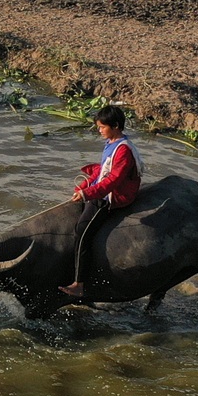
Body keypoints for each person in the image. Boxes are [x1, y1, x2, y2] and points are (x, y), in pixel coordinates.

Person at [59, 106, 142, 300]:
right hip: (105, 189)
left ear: (115, 126)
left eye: (102, 127)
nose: (99, 130)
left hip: (113, 196)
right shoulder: (111, 142)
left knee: (82, 231)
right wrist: (84, 186)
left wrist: (89, 194)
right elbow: (102, 171)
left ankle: (78, 284)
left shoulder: (124, 151)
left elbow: (113, 180)